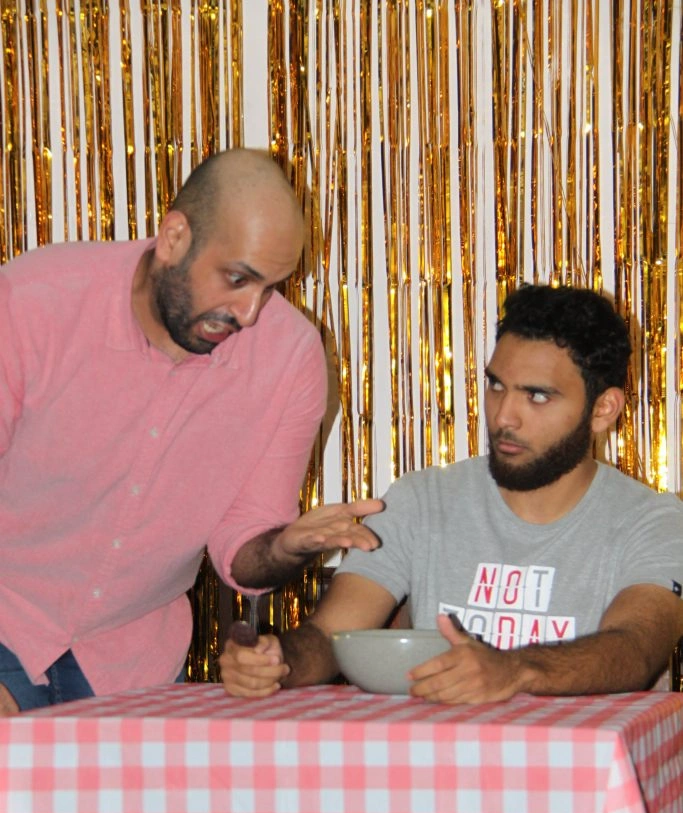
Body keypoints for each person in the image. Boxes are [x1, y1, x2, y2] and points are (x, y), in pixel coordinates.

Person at [0, 148, 381, 715]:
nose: (249, 312)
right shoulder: (35, 299)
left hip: (132, 661)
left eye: (270, 288)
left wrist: (284, 547)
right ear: (174, 238)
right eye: (238, 278)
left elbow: (243, 548)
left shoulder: (291, 357)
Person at [220, 283, 683, 704]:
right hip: (438, 763)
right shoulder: (421, 499)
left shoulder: (655, 521)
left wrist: (514, 669)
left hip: (582, 765)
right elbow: (330, 637)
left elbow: (636, 649)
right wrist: (278, 662)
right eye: (496, 385)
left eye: (537, 396)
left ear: (603, 409)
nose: (504, 417)